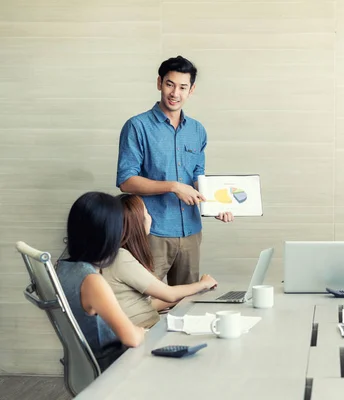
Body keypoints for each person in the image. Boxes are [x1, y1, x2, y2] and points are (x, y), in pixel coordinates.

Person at [116, 55, 233, 286]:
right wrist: (173, 186)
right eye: (170, 84)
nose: (175, 93)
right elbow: (126, 181)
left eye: (182, 87)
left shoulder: (197, 130)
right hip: (152, 232)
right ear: (159, 83)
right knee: (145, 302)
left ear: (191, 90)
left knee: (187, 303)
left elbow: (199, 177)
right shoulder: (137, 126)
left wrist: (218, 205)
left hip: (191, 231)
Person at [56, 192, 145, 371]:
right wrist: (141, 330)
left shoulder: (63, 268)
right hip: (111, 366)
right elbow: (132, 338)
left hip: (84, 366)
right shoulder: (91, 281)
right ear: (109, 236)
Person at [101, 194, 218, 328]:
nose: (150, 217)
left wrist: (196, 290)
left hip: (147, 326)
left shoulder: (119, 254)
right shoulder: (121, 258)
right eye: (147, 213)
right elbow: (169, 295)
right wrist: (203, 284)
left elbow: (150, 304)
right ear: (138, 223)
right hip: (142, 332)